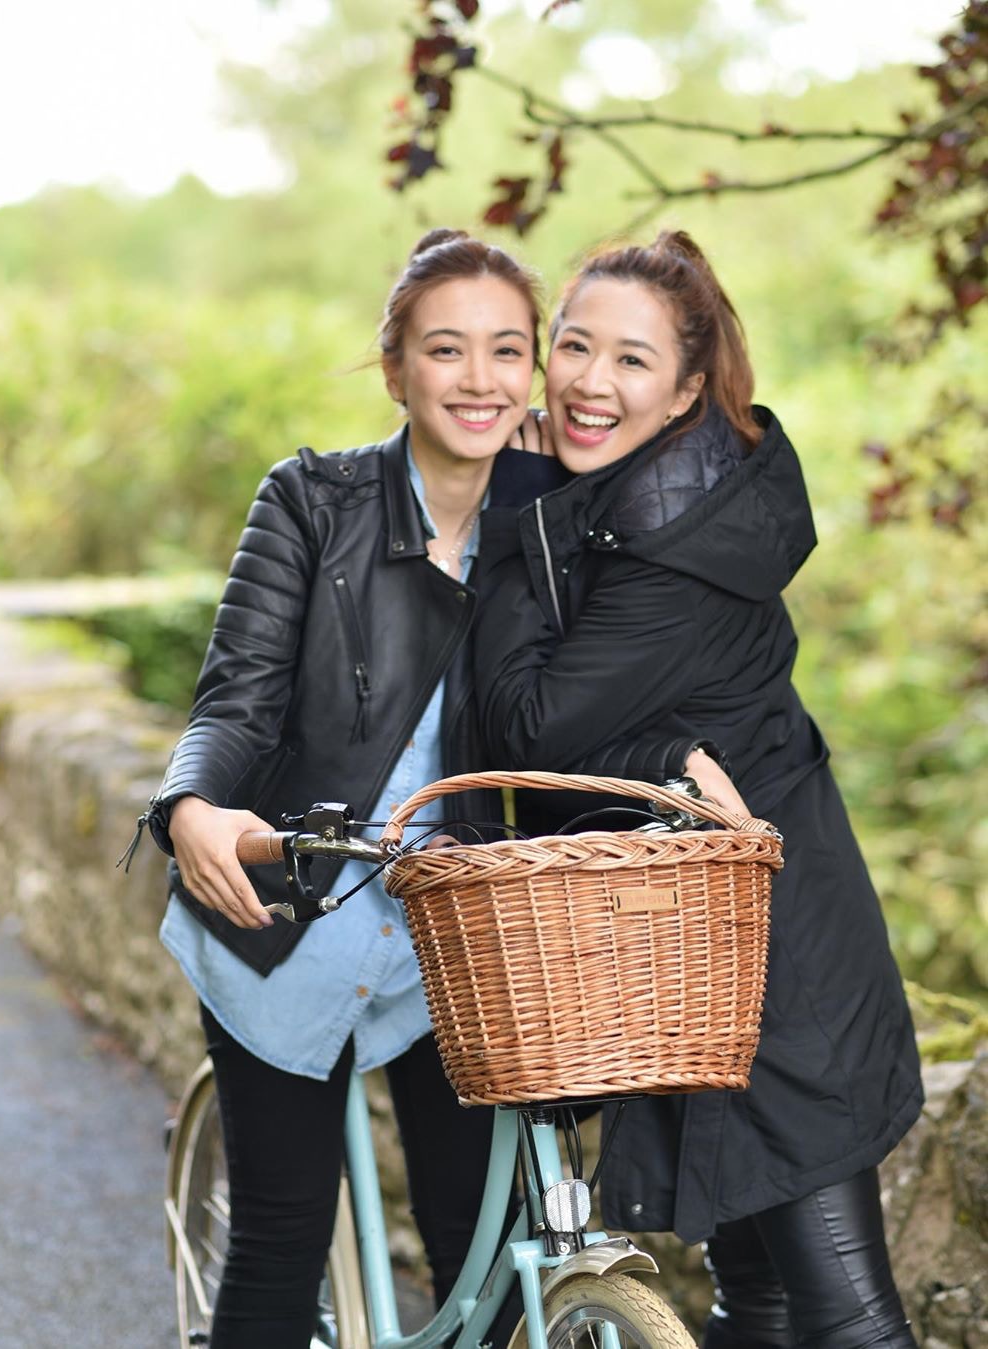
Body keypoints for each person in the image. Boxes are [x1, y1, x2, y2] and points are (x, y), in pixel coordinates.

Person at [136, 227, 738, 1349]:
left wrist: (683, 775)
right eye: (446, 349)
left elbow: (599, 712)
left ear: (536, 374)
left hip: (458, 934)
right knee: (277, 1241)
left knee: (487, 1249)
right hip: (292, 903)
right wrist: (193, 807)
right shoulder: (313, 503)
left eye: (508, 350)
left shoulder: (562, 524)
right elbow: (235, 700)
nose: (479, 378)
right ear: (396, 366)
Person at [472, 231, 923, 1347]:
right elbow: (620, 736)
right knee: (756, 1296)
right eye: (574, 345)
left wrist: (517, 492)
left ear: (684, 393)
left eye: (631, 361)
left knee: (848, 1316)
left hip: (781, 967)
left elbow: (523, 723)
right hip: (710, 939)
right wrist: (657, 764)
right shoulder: (647, 501)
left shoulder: (675, 550)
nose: (587, 380)